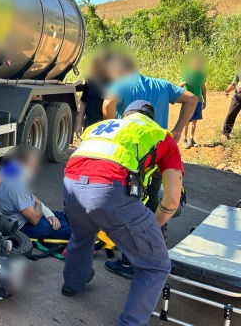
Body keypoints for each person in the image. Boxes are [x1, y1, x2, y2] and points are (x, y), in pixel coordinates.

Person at [62, 101, 184, 326]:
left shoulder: (100, 127)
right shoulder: (160, 135)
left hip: (70, 186)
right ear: (151, 118)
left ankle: (72, 284)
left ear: (125, 115)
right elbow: (173, 199)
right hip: (110, 193)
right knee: (155, 264)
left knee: (81, 236)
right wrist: (152, 227)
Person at [101, 51, 197, 279]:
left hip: (131, 155)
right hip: (158, 154)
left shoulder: (122, 83)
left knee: (130, 204)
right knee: (153, 202)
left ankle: (130, 261)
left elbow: (108, 103)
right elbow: (192, 98)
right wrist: (178, 129)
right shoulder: (162, 84)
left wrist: (112, 129)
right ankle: (154, 249)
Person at [0, 145, 71, 240]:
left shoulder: (10, 175)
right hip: (22, 226)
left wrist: (49, 215)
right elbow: (34, 219)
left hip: (27, 215)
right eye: (33, 165)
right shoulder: (16, 186)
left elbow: (32, 198)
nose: (35, 169)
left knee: (64, 216)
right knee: (67, 227)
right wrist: (39, 205)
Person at [74, 51, 111, 138]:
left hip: (106, 123)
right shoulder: (90, 81)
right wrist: (79, 124)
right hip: (90, 122)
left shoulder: (114, 82)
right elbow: (83, 102)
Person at [178, 55, 207, 149]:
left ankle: (192, 138)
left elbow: (203, 88)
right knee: (186, 121)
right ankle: (185, 140)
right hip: (188, 101)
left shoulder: (202, 75)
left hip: (198, 100)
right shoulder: (187, 74)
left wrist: (205, 100)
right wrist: (186, 81)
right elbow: (179, 86)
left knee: (194, 121)